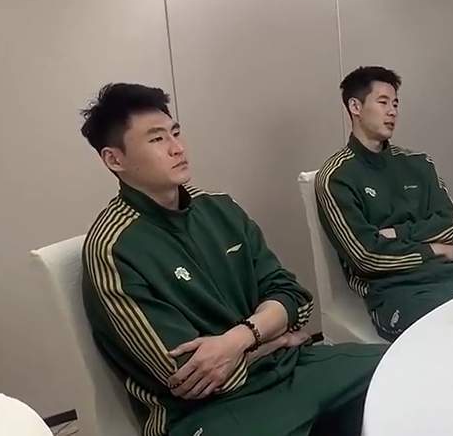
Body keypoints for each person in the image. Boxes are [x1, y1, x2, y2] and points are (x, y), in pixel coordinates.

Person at [79, 83, 385, 436]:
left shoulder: (219, 209)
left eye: (175, 132)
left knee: (398, 371)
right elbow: (185, 375)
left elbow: (294, 297)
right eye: (157, 139)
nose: (178, 148)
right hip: (205, 412)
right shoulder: (113, 249)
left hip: (290, 369)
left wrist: (240, 339)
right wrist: (276, 337)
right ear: (114, 159)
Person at [316, 66, 453, 342]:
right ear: (355, 107)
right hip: (394, 293)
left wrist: (396, 234)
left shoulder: (418, 164)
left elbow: (451, 224)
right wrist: (433, 249)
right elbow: (366, 256)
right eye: (383, 102)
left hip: (450, 279)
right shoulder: (336, 177)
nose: (392, 111)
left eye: (395, 104)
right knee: (452, 338)